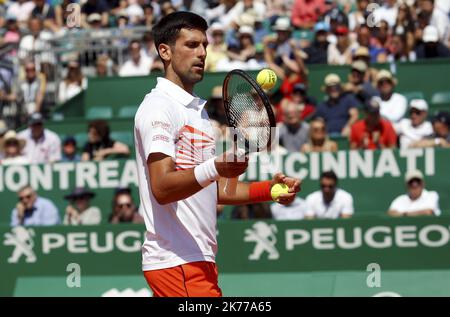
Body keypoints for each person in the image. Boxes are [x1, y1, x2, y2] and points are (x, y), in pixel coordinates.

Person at [134, 12, 301, 297]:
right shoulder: (158, 108)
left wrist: (271, 190)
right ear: (165, 51)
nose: (201, 53)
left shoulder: (196, 113)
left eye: (204, 45)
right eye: (191, 45)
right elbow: (162, 188)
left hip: (196, 263)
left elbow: (209, 190)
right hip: (177, 264)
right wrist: (215, 166)